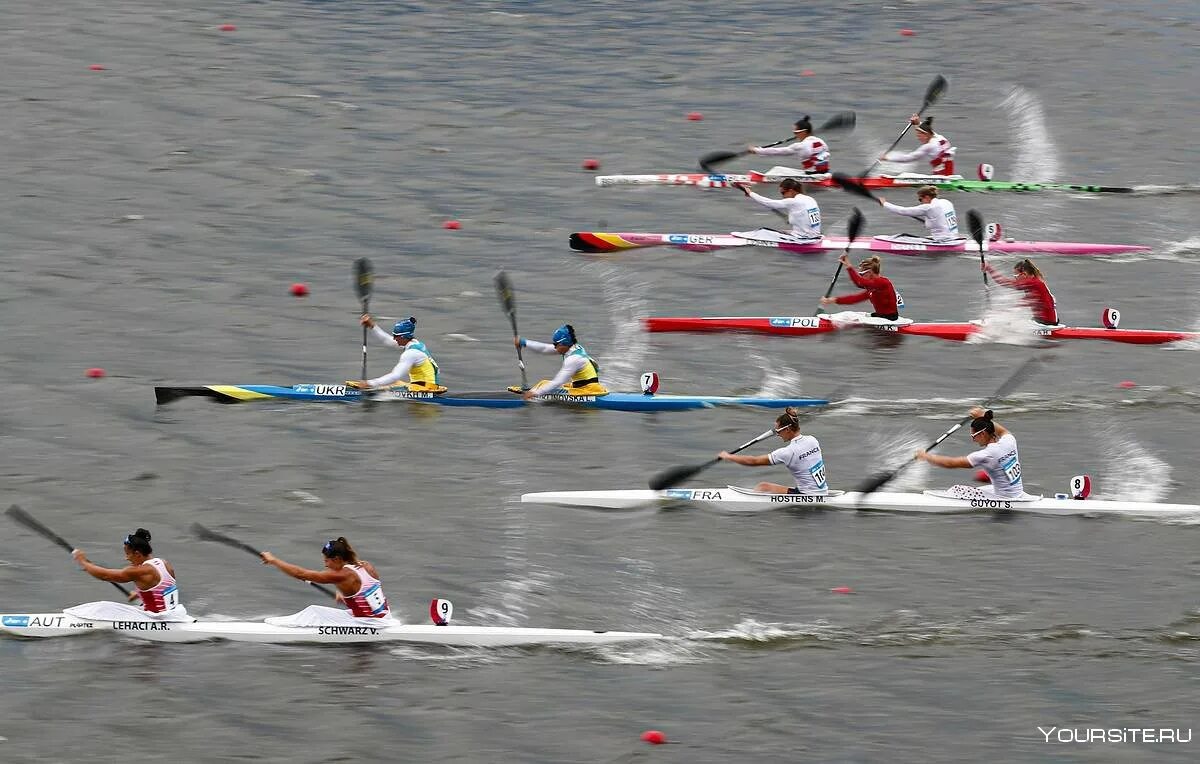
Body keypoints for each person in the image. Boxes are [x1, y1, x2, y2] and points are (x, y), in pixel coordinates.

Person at [261, 537, 394, 627]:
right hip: (385, 618)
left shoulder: (341, 575)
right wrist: (344, 592)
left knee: (314, 611)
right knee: (321, 612)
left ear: (336, 559)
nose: (325, 565)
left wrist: (273, 560)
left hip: (369, 624)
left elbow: (300, 574)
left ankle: (282, 629)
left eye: (326, 561)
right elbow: (364, 591)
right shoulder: (366, 565)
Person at [64, 528, 191, 622]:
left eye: (128, 554)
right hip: (175, 614)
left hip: (158, 619)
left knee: (103, 607)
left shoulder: (139, 571)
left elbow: (105, 575)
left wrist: (83, 561)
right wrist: (139, 592)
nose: (126, 558)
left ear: (137, 554)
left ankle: (69, 621)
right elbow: (160, 587)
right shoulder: (164, 563)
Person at [915, 408, 1027, 500]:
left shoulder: (987, 454)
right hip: (1016, 493)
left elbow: (951, 463)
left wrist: (926, 457)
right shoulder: (1009, 441)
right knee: (984, 485)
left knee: (956, 489)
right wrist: (981, 416)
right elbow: (1002, 431)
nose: (973, 440)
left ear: (983, 434)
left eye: (974, 436)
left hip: (1004, 498)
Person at [718, 407, 828, 495]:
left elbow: (754, 461)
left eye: (778, 431)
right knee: (765, 486)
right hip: (822, 492)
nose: (778, 434)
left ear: (787, 429)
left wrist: (729, 457)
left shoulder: (788, 452)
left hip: (806, 495)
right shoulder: (813, 440)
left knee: (763, 487)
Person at [513, 324, 607, 400]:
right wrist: (524, 342)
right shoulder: (571, 347)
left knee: (546, 385)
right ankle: (531, 391)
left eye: (556, 344)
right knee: (544, 383)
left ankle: (530, 393)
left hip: (588, 391)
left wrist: (535, 393)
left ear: (564, 343)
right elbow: (544, 349)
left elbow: (557, 382)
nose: (554, 347)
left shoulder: (573, 359)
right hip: (583, 387)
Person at [353, 314, 442, 391]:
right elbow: (386, 340)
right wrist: (372, 326)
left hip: (426, 390)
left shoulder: (411, 353)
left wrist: (369, 383)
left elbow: (396, 375)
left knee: (393, 382)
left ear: (404, 337)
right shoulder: (414, 343)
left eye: (396, 336)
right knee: (394, 384)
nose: (394, 338)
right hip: (425, 386)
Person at [820, 255, 900, 321]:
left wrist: (849, 267)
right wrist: (834, 300)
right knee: (848, 314)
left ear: (869, 272)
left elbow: (859, 282)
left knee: (850, 318)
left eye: (861, 274)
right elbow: (854, 299)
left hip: (890, 318)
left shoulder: (883, 282)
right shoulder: (872, 288)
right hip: (880, 316)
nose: (860, 276)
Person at [983, 258, 1058, 325]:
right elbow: (1024, 303)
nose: (1015, 279)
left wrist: (989, 268)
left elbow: (1004, 282)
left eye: (1016, 276)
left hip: (1046, 324)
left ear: (1024, 274)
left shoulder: (1033, 282)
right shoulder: (1035, 283)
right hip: (1043, 321)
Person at [741, 179, 822, 239]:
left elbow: (769, 203)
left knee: (762, 232)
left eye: (783, 193)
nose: (783, 196)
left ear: (791, 191)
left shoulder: (793, 201)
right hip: (815, 236)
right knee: (781, 231)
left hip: (803, 239)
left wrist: (750, 193)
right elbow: (804, 220)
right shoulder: (810, 199)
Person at [748, 115, 831, 173]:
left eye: (796, 132)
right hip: (825, 174)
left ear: (804, 132)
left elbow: (777, 152)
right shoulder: (822, 142)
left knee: (777, 169)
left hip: (812, 176)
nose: (795, 135)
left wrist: (757, 150)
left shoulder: (800, 146)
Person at [879, 115, 956, 176]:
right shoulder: (939, 137)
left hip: (941, 176)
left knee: (907, 176)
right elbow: (926, 129)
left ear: (926, 134)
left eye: (919, 136)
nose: (918, 138)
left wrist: (887, 158)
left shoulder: (929, 146)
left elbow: (908, 158)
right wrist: (917, 123)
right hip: (948, 174)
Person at [877, 185, 959, 242]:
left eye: (920, 199)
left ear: (927, 197)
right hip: (954, 238)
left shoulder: (929, 207)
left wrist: (885, 204)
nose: (920, 202)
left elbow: (903, 211)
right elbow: (941, 220)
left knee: (902, 236)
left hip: (942, 241)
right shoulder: (946, 202)